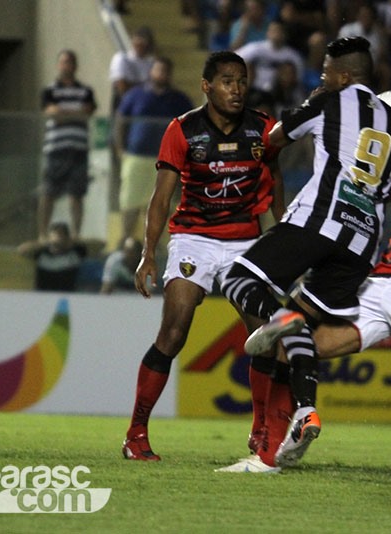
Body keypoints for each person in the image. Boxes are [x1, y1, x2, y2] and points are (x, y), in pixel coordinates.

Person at [221, 36, 391, 469]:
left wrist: (308, 107)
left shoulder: (330, 101)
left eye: (326, 72)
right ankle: (301, 415)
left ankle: (278, 317)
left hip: (319, 221)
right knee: (299, 337)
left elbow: (272, 140)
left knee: (236, 278)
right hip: (363, 242)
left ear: (343, 76)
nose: (322, 78)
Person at [122, 50, 285, 461]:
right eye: (228, 81)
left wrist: (281, 236)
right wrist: (148, 255)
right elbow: (161, 199)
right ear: (206, 86)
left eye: (242, 80)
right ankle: (136, 433)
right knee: (174, 330)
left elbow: (275, 181)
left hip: (244, 242)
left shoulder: (262, 129)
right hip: (194, 239)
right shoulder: (182, 130)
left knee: (265, 337)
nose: (237, 89)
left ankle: (261, 430)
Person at [114, 56, 194, 242]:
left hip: (166, 162)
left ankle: (155, 244)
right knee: (131, 201)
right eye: (158, 70)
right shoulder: (135, 95)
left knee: (160, 204)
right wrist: (120, 149)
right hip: (136, 157)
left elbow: (190, 126)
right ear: (151, 72)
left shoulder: (179, 99)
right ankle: (126, 240)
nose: (161, 74)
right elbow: (120, 122)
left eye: (165, 71)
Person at [38, 50, 97, 242]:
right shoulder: (50, 90)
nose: (66, 65)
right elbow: (51, 112)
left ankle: (75, 234)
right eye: (63, 62)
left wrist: (64, 113)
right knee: (48, 191)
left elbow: (87, 111)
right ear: (58, 65)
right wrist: (75, 113)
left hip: (79, 148)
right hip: (56, 148)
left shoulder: (85, 91)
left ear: (75, 65)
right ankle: (43, 234)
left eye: (70, 62)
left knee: (76, 193)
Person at [108, 26, 156, 212]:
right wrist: (143, 87)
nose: (140, 47)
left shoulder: (152, 62)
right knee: (120, 163)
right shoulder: (122, 59)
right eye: (137, 43)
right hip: (125, 116)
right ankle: (117, 207)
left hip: (144, 120)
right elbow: (123, 88)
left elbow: (154, 89)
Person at [17, 221, 103, 292]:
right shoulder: (42, 253)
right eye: (56, 235)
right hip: (42, 296)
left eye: (61, 235)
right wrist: (44, 243)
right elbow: (22, 250)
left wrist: (75, 241)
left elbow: (100, 245)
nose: (58, 239)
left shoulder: (75, 252)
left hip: (68, 295)